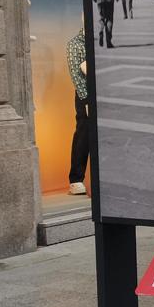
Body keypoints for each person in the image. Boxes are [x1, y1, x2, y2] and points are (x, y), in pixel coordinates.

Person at [66, 21, 89, 195]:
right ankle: (76, 179)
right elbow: (76, 74)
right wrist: (86, 99)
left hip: (98, 93)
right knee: (83, 135)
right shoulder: (75, 44)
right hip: (85, 95)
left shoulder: (96, 41)